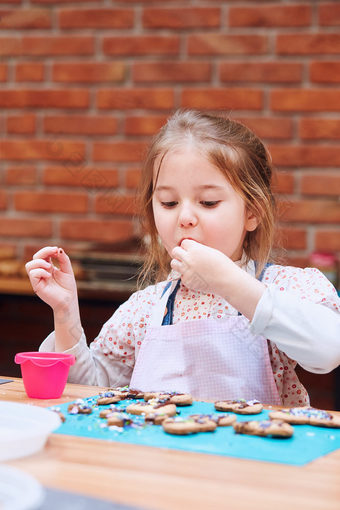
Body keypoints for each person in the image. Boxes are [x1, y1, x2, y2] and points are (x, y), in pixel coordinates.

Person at [26, 110, 340, 406]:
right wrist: (66, 313)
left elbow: (328, 350)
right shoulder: (145, 309)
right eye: (169, 201)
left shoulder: (284, 288)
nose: (185, 217)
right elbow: (89, 389)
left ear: (253, 213)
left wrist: (228, 282)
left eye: (208, 201)